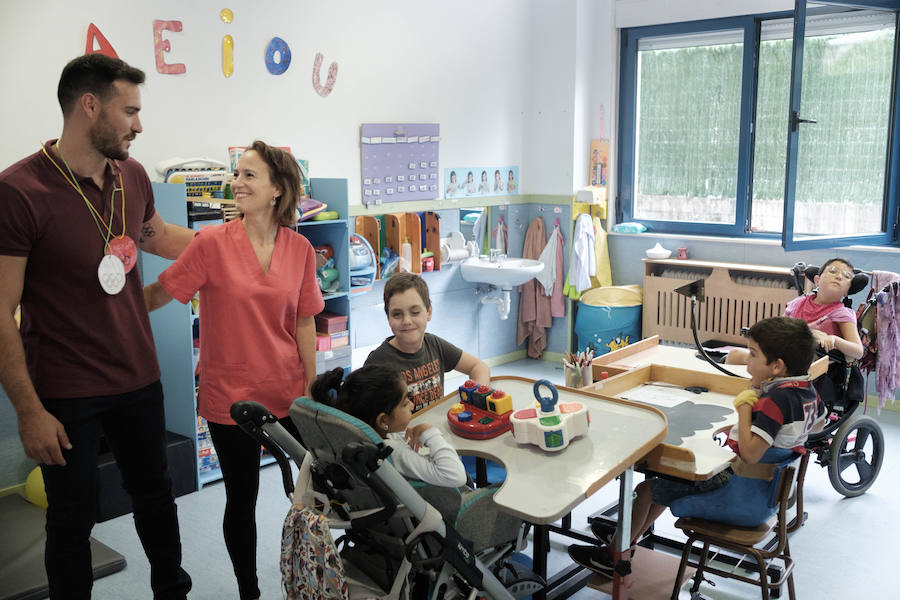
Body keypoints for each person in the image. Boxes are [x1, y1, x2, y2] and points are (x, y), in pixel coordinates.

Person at [0, 54, 195, 599]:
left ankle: (170, 592)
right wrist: (29, 412)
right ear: (90, 106)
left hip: (138, 376)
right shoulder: (18, 192)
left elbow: (156, 236)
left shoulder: (131, 175)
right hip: (64, 392)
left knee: (156, 499)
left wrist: (241, 246)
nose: (140, 125)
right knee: (71, 521)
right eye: (130, 111)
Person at [144, 141, 324, 600]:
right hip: (231, 399)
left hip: (287, 392)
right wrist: (106, 306)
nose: (236, 183)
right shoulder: (211, 244)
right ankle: (250, 591)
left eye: (248, 175)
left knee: (312, 497)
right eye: (236, 174)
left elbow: (305, 320)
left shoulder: (300, 249)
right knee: (240, 500)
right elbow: (163, 293)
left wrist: (311, 387)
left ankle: (314, 582)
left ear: (277, 190)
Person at [568, 316, 825, 576]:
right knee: (663, 484)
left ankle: (612, 557)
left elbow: (749, 453)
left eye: (754, 355)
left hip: (740, 496)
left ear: (777, 367)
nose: (747, 362)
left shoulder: (776, 400)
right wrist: (757, 432)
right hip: (765, 496)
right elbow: (816, 424)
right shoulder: (808, 392)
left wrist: (746, 408)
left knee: (647, 488)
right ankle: (625, 539)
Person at [311, 365, 467, 487]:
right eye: (405, 403)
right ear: (383, 421)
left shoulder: (369, 435)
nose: (412, 405)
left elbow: (391, 434)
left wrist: (405, 431)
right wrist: (430, 433)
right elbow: (456, 476)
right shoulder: (393, 452)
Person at [364, 273, 489, 413]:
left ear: (429, 312)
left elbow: (479, 367)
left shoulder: (434, 344)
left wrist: (476, 398)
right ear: (388, 317)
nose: (406, 321)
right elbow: (369, 419)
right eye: (397, 314)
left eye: (415, 312)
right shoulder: (378, 363)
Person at [726, 257, 864, 364]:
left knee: (767, 365)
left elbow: (858, 351)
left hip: (806, 362)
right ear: (817, 280)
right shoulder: (798, 303)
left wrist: (834, 339)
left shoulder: (842, 314)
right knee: (734, 355)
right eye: (832, 271)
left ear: (848, 291)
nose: (839, 277)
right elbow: (778, 329)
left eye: (846, 276)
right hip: (782, 353)